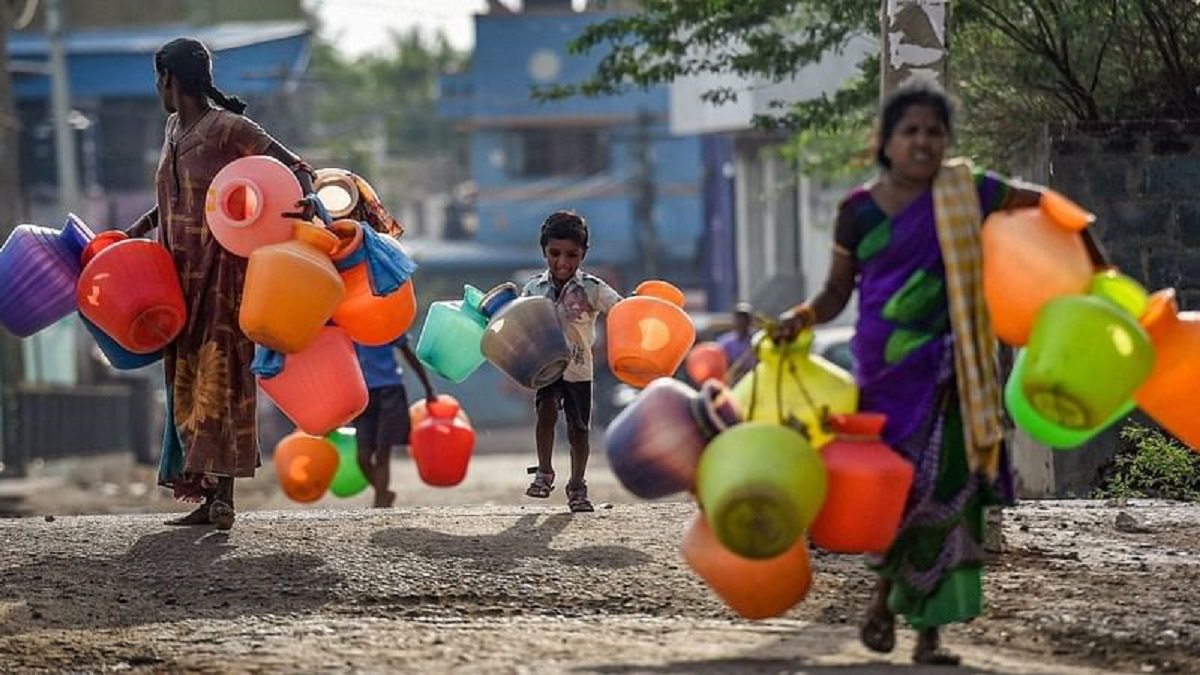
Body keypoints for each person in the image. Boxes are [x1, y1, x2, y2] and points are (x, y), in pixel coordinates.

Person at [773, 80, 1107, 665]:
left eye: (934, 132)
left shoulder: (967, 191)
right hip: (885, 371)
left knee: (949, 492)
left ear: (946, 141)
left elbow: (1046, 205)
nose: (923, 142)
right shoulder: (857, 210)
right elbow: (833, 293)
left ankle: (929, 634)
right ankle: (880, 597)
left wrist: (1096, 263)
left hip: (957, 374)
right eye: (911, 131)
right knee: (893, 493)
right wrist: (798, 318)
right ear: (887, 141)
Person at [124, 37, 322, 530]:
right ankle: (203, 493)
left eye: (158, 80)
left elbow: (295, 167)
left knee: (223, 377)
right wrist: (139, 230)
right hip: (175, 280)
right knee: (185, 381)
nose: (158, 90)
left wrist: (305, 199)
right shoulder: (173, 129)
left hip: (223, 275)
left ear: (169, 79)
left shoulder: (229, 129)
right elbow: (180, 198)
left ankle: (225, 498)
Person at [520, 210, 622, 512]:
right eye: (555, 253)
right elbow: (519, 320)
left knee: (579, 428)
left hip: (579, 368)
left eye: (571, 255)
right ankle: (544, 471)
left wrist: (637, 307)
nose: (562, 262)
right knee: (546, 412)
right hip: (547, 366)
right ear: (544, 251)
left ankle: (577, 486)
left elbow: (620, 310)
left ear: (583, 254)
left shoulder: (592, 288)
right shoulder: (533, 288)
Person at [352, 334, 436, 508]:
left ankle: (380, 503)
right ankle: (384, 493)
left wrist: (428, 387)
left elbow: (409, 355)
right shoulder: (347, 324)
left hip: (390, 390)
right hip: (362, 394)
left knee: (383, 451)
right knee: (363, 457)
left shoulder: (387, 320)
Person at [715, 302, 757, 382]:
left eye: (744, 318)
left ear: (750, 321)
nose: (741, 321)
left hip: (751, 381)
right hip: (731, 382)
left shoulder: (757, 340)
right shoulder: (725, 342)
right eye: (739, 318)